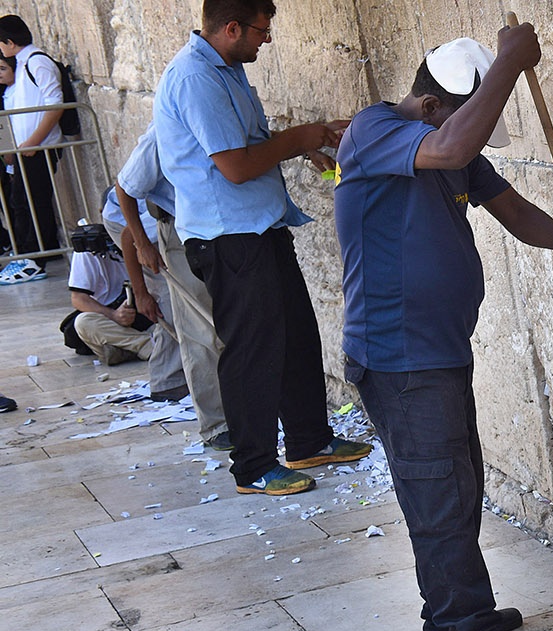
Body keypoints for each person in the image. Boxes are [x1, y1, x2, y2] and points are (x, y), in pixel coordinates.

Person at [332, 27, 553, 631]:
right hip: (398, 358)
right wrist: (511, 59)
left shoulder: (449, 151)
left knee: (457, 488)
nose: (470, 144)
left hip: (438, 352)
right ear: (429, 105)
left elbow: (510, 208)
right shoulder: (374, 130)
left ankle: (449, 614)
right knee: (441, 500)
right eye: (465, 120)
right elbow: (456, 142)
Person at [153, 0, 367, 496]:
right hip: (227, 236)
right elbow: (235, 164)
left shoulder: (224, 68)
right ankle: (252, 465)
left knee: (294, 334)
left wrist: (305, 144)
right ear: (231, 28)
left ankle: (309, 438)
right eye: (260, 32)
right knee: (252, 350)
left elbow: (247, 140)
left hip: (260, 224)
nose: (265, 41)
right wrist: (297, 138)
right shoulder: (195, 78)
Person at [116, 123, 230, 446]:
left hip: (219, 230)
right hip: (178, 232)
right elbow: (125, 189)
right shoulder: (162, 130)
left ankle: (244, 410)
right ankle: (217, 424)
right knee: (198, 331)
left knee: (228, 325)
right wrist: (142, 247)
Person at [68, 201, 179, 378]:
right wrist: (112, 315)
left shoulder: (148, 234)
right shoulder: (90, 246)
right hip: (111, 315)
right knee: (83, 323)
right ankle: (149, 348)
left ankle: (125, 350)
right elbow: (78, 298)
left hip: (145, 310)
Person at [0, 15, 63, 281]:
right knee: (23, 201)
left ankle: (36, 259)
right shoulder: (25, 63)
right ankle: (33, 255)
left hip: (39, 147)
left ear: (10, 42)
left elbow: (55, 103)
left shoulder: (38, 62)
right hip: (27, 149)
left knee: (34, 201)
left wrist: (34, 141)